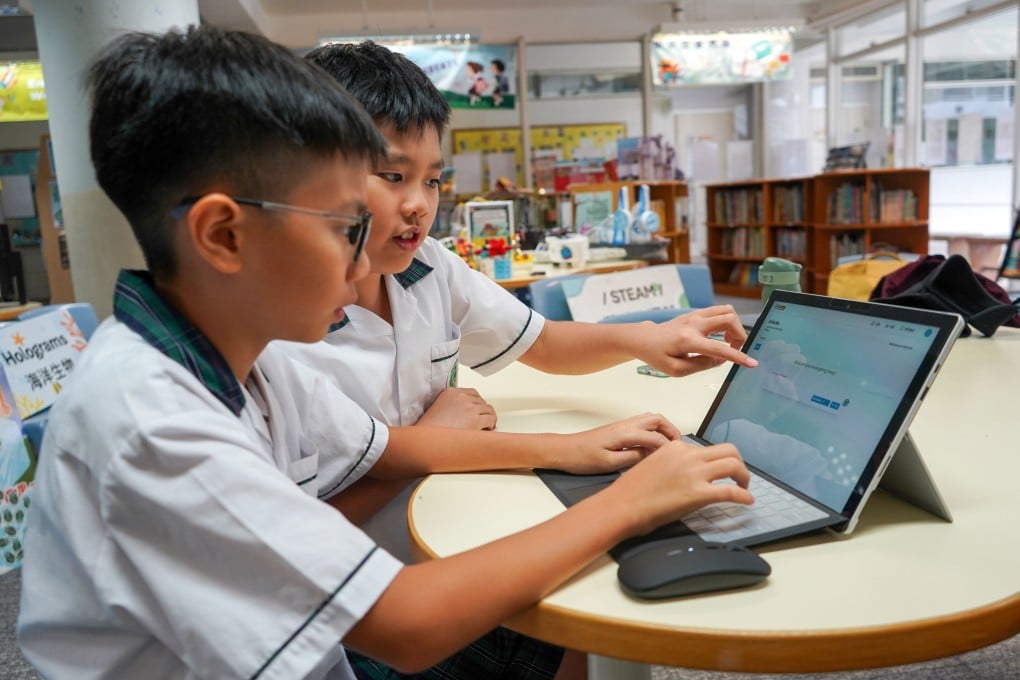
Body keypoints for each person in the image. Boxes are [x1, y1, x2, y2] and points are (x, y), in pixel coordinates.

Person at [16, 25, 753, 680]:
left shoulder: (243, 355)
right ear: (224, 235)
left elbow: (390, 451)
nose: (366, 257)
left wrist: (579, 447)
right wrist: (630, 504)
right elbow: (404, 623)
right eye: (344, 224)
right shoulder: (152, 422)